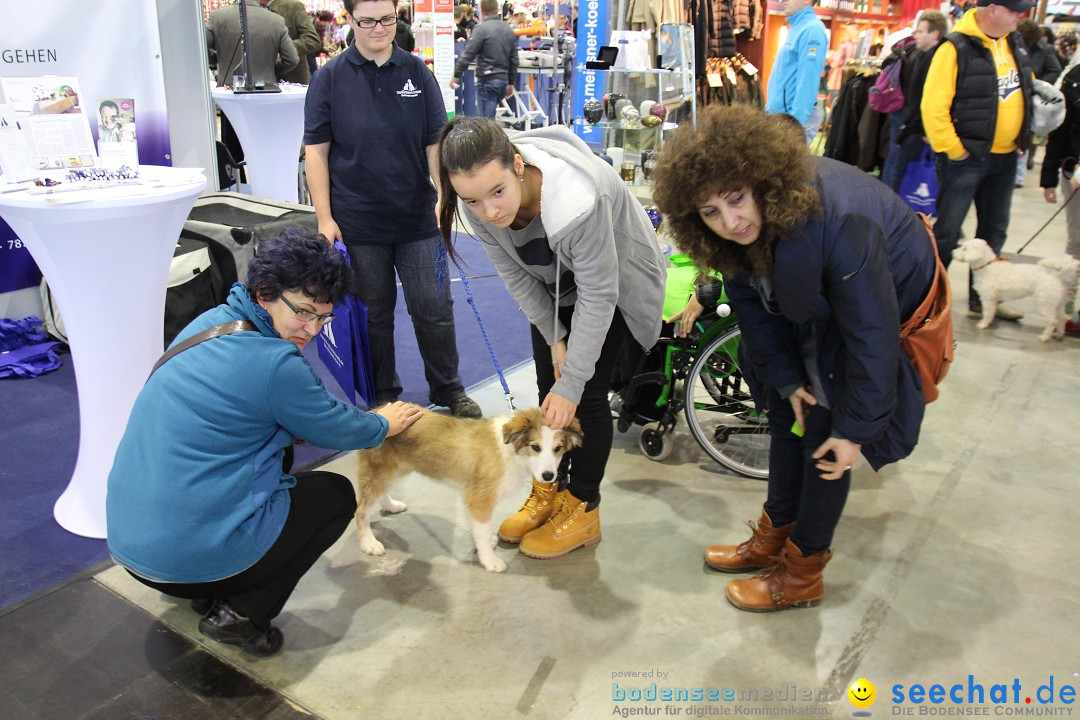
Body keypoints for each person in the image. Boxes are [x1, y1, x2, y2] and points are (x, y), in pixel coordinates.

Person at [651, 104, 937, 612]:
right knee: (787, 410)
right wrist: (785, 381)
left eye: (737, 199)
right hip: (812, 284)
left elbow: (870, 335)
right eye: (710, 212)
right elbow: (752, 311)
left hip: (885, 291)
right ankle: (773, 536)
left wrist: (854, 430)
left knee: (826, 430)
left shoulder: (841, 222)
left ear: (763, 181)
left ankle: (804, 572)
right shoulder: (739, 235)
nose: (730, 222)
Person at [106, 230, 423, 657]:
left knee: (271, 450)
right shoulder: (274, 364)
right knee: (332, 496)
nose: (312, 330)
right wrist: (383, 423)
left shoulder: (207, 323)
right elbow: (340, 428)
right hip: (180, 558)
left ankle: (206, 586)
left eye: (324, 318)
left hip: (131, 546)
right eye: (304, 313)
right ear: (265, 292)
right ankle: (240, 614)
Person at [435, 117, 666, 559]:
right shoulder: (475, 204)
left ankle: (583, 509)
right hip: (555, 290)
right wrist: (555, 335)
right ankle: (551, 492)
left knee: (585, 396)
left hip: (613, 285)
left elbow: (601, 294)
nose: (489, 211)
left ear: (517, 165)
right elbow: (516, 278)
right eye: (473, 200)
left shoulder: (579, 198)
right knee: (549, 395)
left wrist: (574, 378)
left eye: (497, 192)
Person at [304, 0, 482, 418]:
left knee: (434, 309)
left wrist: (443, 195)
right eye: (367, 21)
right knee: (374, 317)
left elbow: (435, 141)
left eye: (387, 19)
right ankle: (384, 395)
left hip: (417, 219)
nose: (379, 29)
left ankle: (449, 389)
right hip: (358, 223)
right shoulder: (328, 79)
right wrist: (325, 218)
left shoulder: (417, 73)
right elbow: (317, 152)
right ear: (349, 20)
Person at [921, 0, 1034, 319]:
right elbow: (933, 107)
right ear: (993, 8)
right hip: (966, 160)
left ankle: (983, 298)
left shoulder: (1014, 42)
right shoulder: (954, 48)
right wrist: (955, 150)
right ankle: (930, 301)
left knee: (995, 230)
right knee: (946, 233)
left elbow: (1024, 89)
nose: (1019, 16)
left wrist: (1023, 135)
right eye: (1014, 10)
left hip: (1006, 157)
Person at [887, 10, 949, 193]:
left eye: (921, 31)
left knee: (907, 174)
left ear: (935, 34)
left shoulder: (938, 59)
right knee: (900, 168)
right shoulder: (921, 55)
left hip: (921, 129)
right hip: (913, 125)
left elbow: (933, 98)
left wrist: (925, 128)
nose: (916, 35)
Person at [1040, 58, 1080, 335]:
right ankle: (1068, 300)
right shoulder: (1074, 77)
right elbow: (1060, 129)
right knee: (1077, 240)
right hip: (1073, 173)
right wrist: (1048, 177)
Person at [764, 0, 828, 145]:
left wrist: (795, 125)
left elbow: (808, 82)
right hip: (780, 118)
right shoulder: (798, 27)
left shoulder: (812, 30)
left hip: (792, 122)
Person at [205, 0, 299, 88]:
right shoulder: (276, 20)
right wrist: (270, 69)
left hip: (228, 91)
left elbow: (199, 49)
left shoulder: (217, 17)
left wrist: (217, 59)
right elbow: (292, 59)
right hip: (266, 90)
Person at [451, 0, 519, 119]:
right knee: (490, 119)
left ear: (481, 11)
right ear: (497, 10)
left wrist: (456, 75)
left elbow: (468, 54)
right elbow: (514, 59)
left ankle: (491, 137)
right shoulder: (507, 29)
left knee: (486, 122)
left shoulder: (481, 29)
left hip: (488, 79)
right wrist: (511, 82)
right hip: (503, 80)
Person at [1015, 19, 1062, 186]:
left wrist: (1038, 85)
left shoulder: (1045, 50)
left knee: (1027, 133)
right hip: (1015, 95)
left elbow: (1055, 70)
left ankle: (1019, 176)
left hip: (1032, 97)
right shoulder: (1013, 45)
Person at [263, 0, 323, 84]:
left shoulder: (293, 6)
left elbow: (312, 40)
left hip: (292, 81)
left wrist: (284, 49)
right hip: (261, 80)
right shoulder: (250, 9)